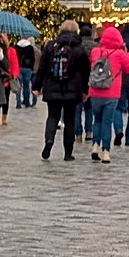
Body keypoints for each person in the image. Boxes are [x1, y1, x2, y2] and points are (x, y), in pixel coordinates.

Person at [38, 21, 89, 160]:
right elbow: (86, 71)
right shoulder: (79, 49)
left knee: (52, 117)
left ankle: (49, 141)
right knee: (70, 120)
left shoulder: (50, 46)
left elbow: (42, 68)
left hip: (52, 87)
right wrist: (85, 89)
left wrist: (37, 86)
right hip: (73, 89)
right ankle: (68, 153)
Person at [84, 22, 129, 162]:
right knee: (107, 122)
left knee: (97, 120)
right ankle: (105, 151)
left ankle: (95, 145)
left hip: (95, 91)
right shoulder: (119, 54)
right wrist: (126, 52)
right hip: (111, 93)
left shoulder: (95, 51)